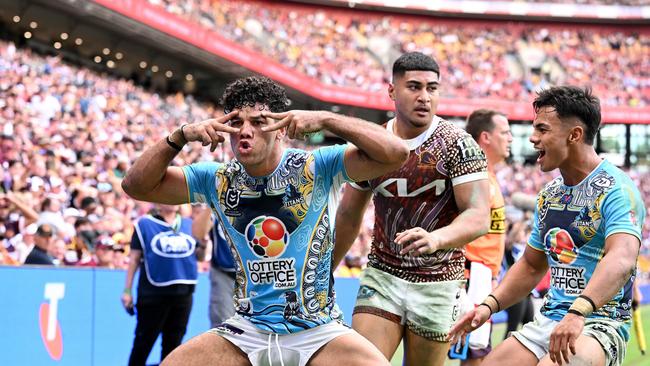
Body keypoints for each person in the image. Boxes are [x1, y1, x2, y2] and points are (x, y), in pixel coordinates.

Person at [121, 76, 409, 366]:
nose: (245, 131)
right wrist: (180, 136)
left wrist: (326, 119)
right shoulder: (215, 178)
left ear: (280, 130)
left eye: (258, 122)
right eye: (236, 123)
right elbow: (135, 186)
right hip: (247, 331)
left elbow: (396, 153)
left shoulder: (318, 166)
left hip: (318, 331)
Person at [448, 86, 646, 366]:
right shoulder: (549, 195)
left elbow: (622, 258)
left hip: (598, 324)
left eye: (542, 129)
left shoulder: (618, 189)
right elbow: (531, 266)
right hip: (548, 320)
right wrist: (487, 307)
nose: (532, 138)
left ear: (574, 135)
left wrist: (578, 313)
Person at [334, 52, 491, 366]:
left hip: (439, 281)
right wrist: (323, 272)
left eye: (432, 88)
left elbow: (478, 215)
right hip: (383, 275)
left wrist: (437, 238)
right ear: (392, 91)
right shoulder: (372, 144)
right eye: (414, 87)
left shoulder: (458, 145)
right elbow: (349, 215)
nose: (424, 97)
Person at [459, 109, 512, 365]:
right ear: (486, 137)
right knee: (475, 355)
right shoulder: (475, 176)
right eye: (505, 132)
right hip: (473, 275)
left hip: (483, 275)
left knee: (476, 353)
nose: (511, 138)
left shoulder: (489, 176)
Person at [121, 204, 205, 366]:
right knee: (143, 343)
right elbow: (134, 259)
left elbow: (200, 257)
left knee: (174, 346)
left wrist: (204, 242)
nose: (172, 201)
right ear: (157, 202)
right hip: (153, 294)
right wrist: (127, 290)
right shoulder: (144, 224)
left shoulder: (189, 224)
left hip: (183, 293)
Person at [193, 205, 237, 327]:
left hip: (255, 276)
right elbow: (198, 233)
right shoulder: (217, 207)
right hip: (224, 274)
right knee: (224, 327)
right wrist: (209, 203)